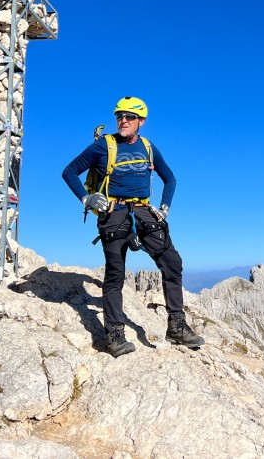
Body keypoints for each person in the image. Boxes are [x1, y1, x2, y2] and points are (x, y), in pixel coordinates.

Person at [62, 96, 204, 356]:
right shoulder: (104, 146)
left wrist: (163, 209)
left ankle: (177, 327)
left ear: (141, 122)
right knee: (115, 273)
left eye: (129, 117)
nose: (122, 121)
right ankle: (115, 335)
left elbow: (170, 179)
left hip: (143, 212)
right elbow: (69, 171)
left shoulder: (148, 147)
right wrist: (86, 197)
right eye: (119, 116)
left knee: (172, 263)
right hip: (114, 213)